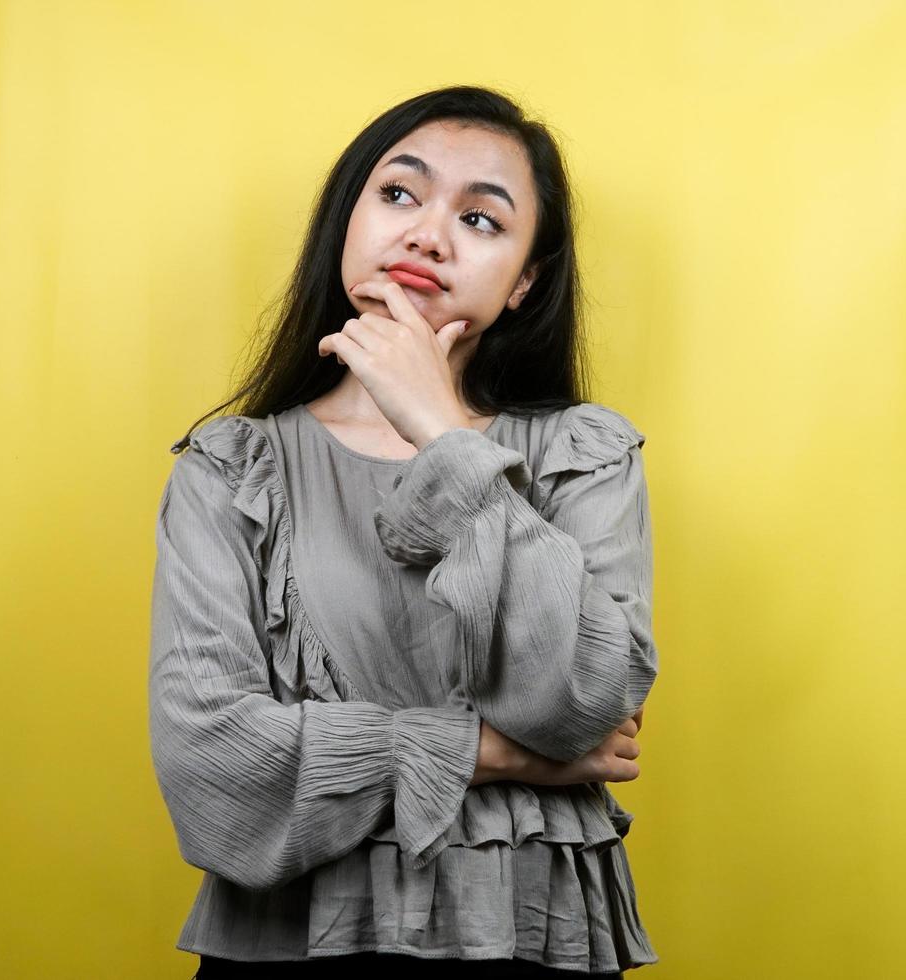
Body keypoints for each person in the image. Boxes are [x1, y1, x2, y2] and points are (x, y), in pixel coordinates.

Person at [149, 85, 659, 978]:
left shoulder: (586, 455)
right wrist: (495, 754)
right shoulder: (230, 471)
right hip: (291, 947)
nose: (428, 234)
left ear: (525, 281)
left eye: (482, 219)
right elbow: (215, 771)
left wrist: (445, 436)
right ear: (345, 222)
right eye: (397, 194)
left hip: (530, 942)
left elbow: (585, 698)